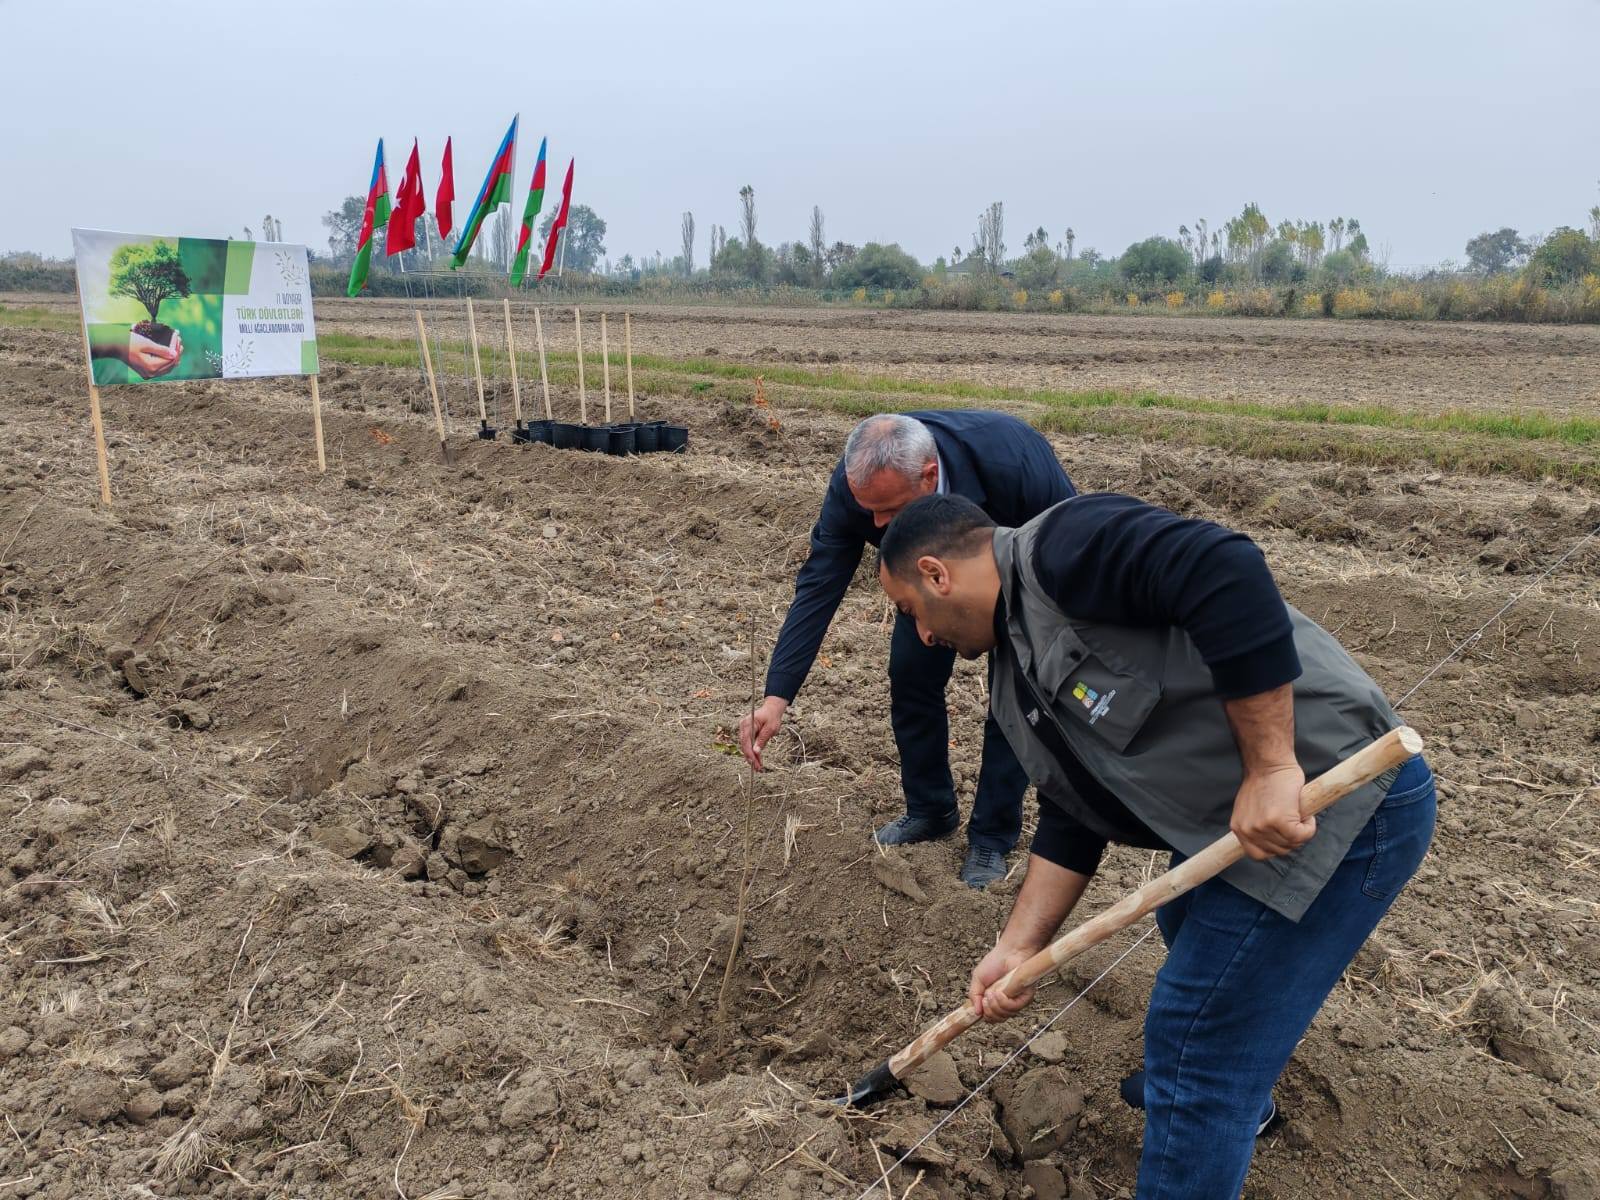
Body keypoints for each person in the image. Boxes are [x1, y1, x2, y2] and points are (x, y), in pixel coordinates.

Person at [876, 492, 1436, 1199]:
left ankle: (1210, 1092)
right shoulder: (1012, 671)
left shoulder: (1063, 548)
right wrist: (1018, 946)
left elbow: (1224, 568)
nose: (921, 635)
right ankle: (1228, 1098)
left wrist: (1270, 767)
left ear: (936, 574)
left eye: (909, 611)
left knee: (1194, 1041)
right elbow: (1072, 811)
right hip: (1233, 831)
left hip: (1339, 799)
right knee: (1187, 927)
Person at [737, 412, 1075, 887]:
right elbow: (819, 584)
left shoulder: (1012, 464)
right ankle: (930, 810)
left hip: (1020, 574)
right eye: (868, 511)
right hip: (922, 570)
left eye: (888, 511)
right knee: (911, 673)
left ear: (930, 476)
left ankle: (992, 836)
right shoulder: (861, 485)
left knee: (1014, 697)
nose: (876, 525)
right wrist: (777, 697)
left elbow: (1069, 546)